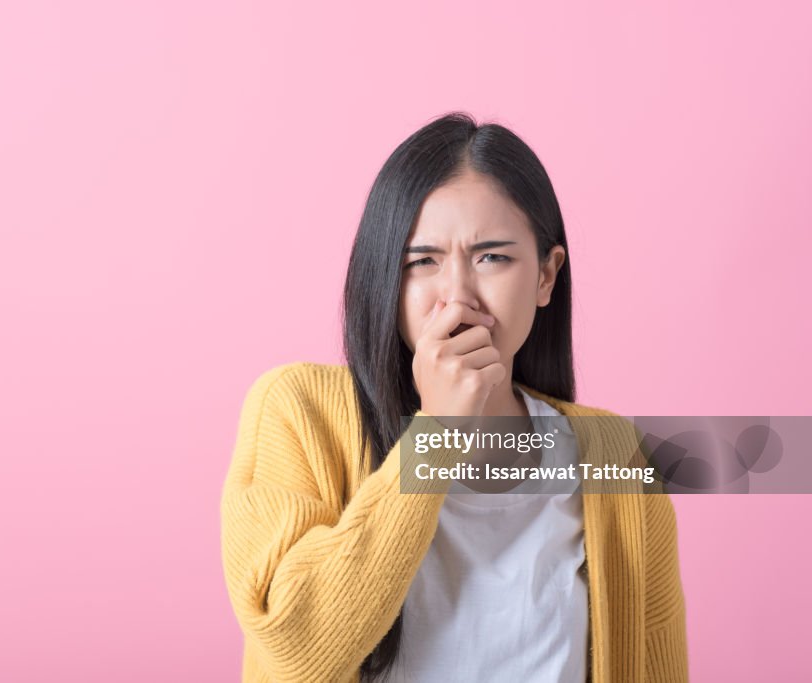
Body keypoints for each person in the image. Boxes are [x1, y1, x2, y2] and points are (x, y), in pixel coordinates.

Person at [220, 112, 688, 682]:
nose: (458, 296)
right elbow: (295, 649)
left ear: (546, 276)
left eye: (493, 257)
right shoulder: (297, 410)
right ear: (386, 281)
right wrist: (438, 434)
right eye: (423, 262)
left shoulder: (618, 458)